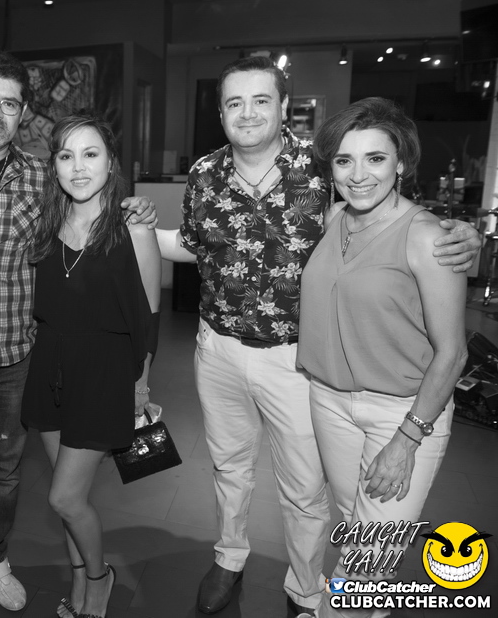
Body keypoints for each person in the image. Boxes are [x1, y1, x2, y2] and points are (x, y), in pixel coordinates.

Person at [153, 56, 480, 617]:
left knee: (304, 487)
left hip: (297, 360)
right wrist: (135, 225)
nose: (248, 113)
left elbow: (386, 216)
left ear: (284, 107)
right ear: (221, 113)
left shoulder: (325, 163)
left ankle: (305, 588)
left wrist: (460, 235)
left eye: (261, 100)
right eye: (234, 102)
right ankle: (230, 556)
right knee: (229, 466)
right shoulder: (205, 172)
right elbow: (196, 242)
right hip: (219, 348)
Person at [0, 51, 154, 618]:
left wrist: (138, 210)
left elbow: (138, 294)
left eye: (9, 103)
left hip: (18, 355)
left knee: (5, 476)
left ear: (23, 113)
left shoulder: (41, 177)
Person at [299, 98, 467, 618]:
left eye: (375, 158)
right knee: (357, 528)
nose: (358, 174)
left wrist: (407, 439)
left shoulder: (428, 237)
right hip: (330, 402)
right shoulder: (334, 219)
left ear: (401, 163)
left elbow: (453, 352)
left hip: (404, 413)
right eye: (344, 160)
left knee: (368, 559)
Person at [22, 114, 160, 618]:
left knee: (64, 498)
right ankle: (80, 577)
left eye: (90, 154)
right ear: (54, 166)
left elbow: (149, 319)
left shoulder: (133, 230)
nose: (78, 167)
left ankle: (99, 580)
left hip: (104, 375)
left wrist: (141, 386)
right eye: (66, 156)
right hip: (49, 368)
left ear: (110, 162)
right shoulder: (46, 224)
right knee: (70, 495)